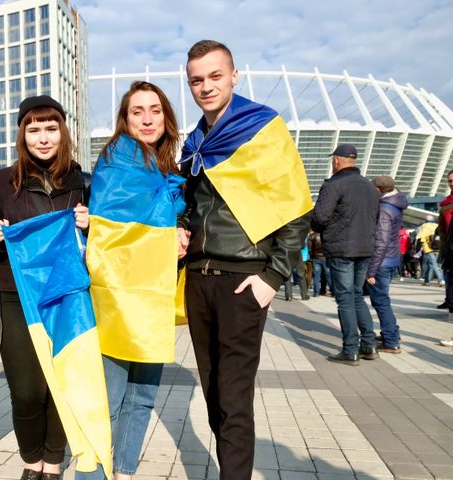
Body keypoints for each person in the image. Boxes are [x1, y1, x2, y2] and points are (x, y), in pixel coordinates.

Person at [178, 40, 311, 479]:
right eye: (197, 79)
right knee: (215, 391)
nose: (206, 86)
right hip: (199, 278)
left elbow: (295, 209)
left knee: (234, 397)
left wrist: (271, 277)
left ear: (235, 76)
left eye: (215, 76)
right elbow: (191, 208)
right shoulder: (194, 142)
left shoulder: (262, 128)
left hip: (242, 279)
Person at [78, 81, 185, 480]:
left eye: (154, 110)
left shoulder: (166, 166)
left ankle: (124, 473)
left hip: (153, 295)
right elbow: (113, 227)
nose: (146, 118)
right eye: (136, 111)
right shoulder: (118, 161)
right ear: (124, 119)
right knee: (110, 398)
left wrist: (182, 225)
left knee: (142, 395)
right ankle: (93, 474)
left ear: (165, 116)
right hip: (118, 299)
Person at [0, 95, 89, 480]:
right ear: (22, 135)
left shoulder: (82, 181)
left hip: (66, 297)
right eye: (34, 129)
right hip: (15, 295)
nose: (43, 138)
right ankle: (31, 459)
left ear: (63, 132)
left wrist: (92, 223)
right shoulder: (2, 182)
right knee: (26, 389)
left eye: (50, 128)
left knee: (60, 383)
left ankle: (53, 462)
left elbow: (107, 237)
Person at [311, 143, 380, 365]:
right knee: (357, 295)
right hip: (365, 247)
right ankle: (368, 345)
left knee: (345, 299)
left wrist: (317, 227)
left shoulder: (334, 185)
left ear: (336, 161)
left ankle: (350, 349)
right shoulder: (370, 187)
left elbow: (320, 218)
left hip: (341, 249)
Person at [366, 176, 408, 354]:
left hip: (381, 262)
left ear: (378, 189)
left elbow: (381, 241)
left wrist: (371, 271)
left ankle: (391, 341)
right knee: (383, 300)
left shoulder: (384, 209)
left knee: (381, 301)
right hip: (390, 259)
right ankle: (392, 334)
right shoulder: (396, 203)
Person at [419, 214, 444, 287]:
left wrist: (423, 247)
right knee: (431, 265)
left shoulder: (424, 226)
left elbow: (422, 238)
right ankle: (426, 281)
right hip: (438, 248)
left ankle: (440, 280)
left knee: (433, 265)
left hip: (428, 248)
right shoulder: (437, 226)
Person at [308, 230, 332, 296]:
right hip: (325, 257)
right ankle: (333, 291)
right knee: (328, 275)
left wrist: (311, 256)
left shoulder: (312, 236)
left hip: (316, 257)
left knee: (316, 276)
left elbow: (309, 248)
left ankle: (316, 292)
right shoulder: (327, 234)